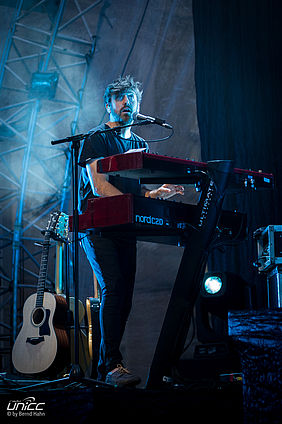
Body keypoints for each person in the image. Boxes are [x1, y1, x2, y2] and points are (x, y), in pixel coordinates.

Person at [78, 75, 184, 387]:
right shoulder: (95, 139)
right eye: (120, 98)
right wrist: (135, 203)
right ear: (108, 105)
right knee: (113, 289)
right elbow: (99, 186)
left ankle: (107, 367)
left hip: (125, 226)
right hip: (97, 225)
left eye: (131, 98)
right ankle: (111, 365)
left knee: (124, 297)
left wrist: (158, 193)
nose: (127, 103)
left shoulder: (140, 145)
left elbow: (138, 196)